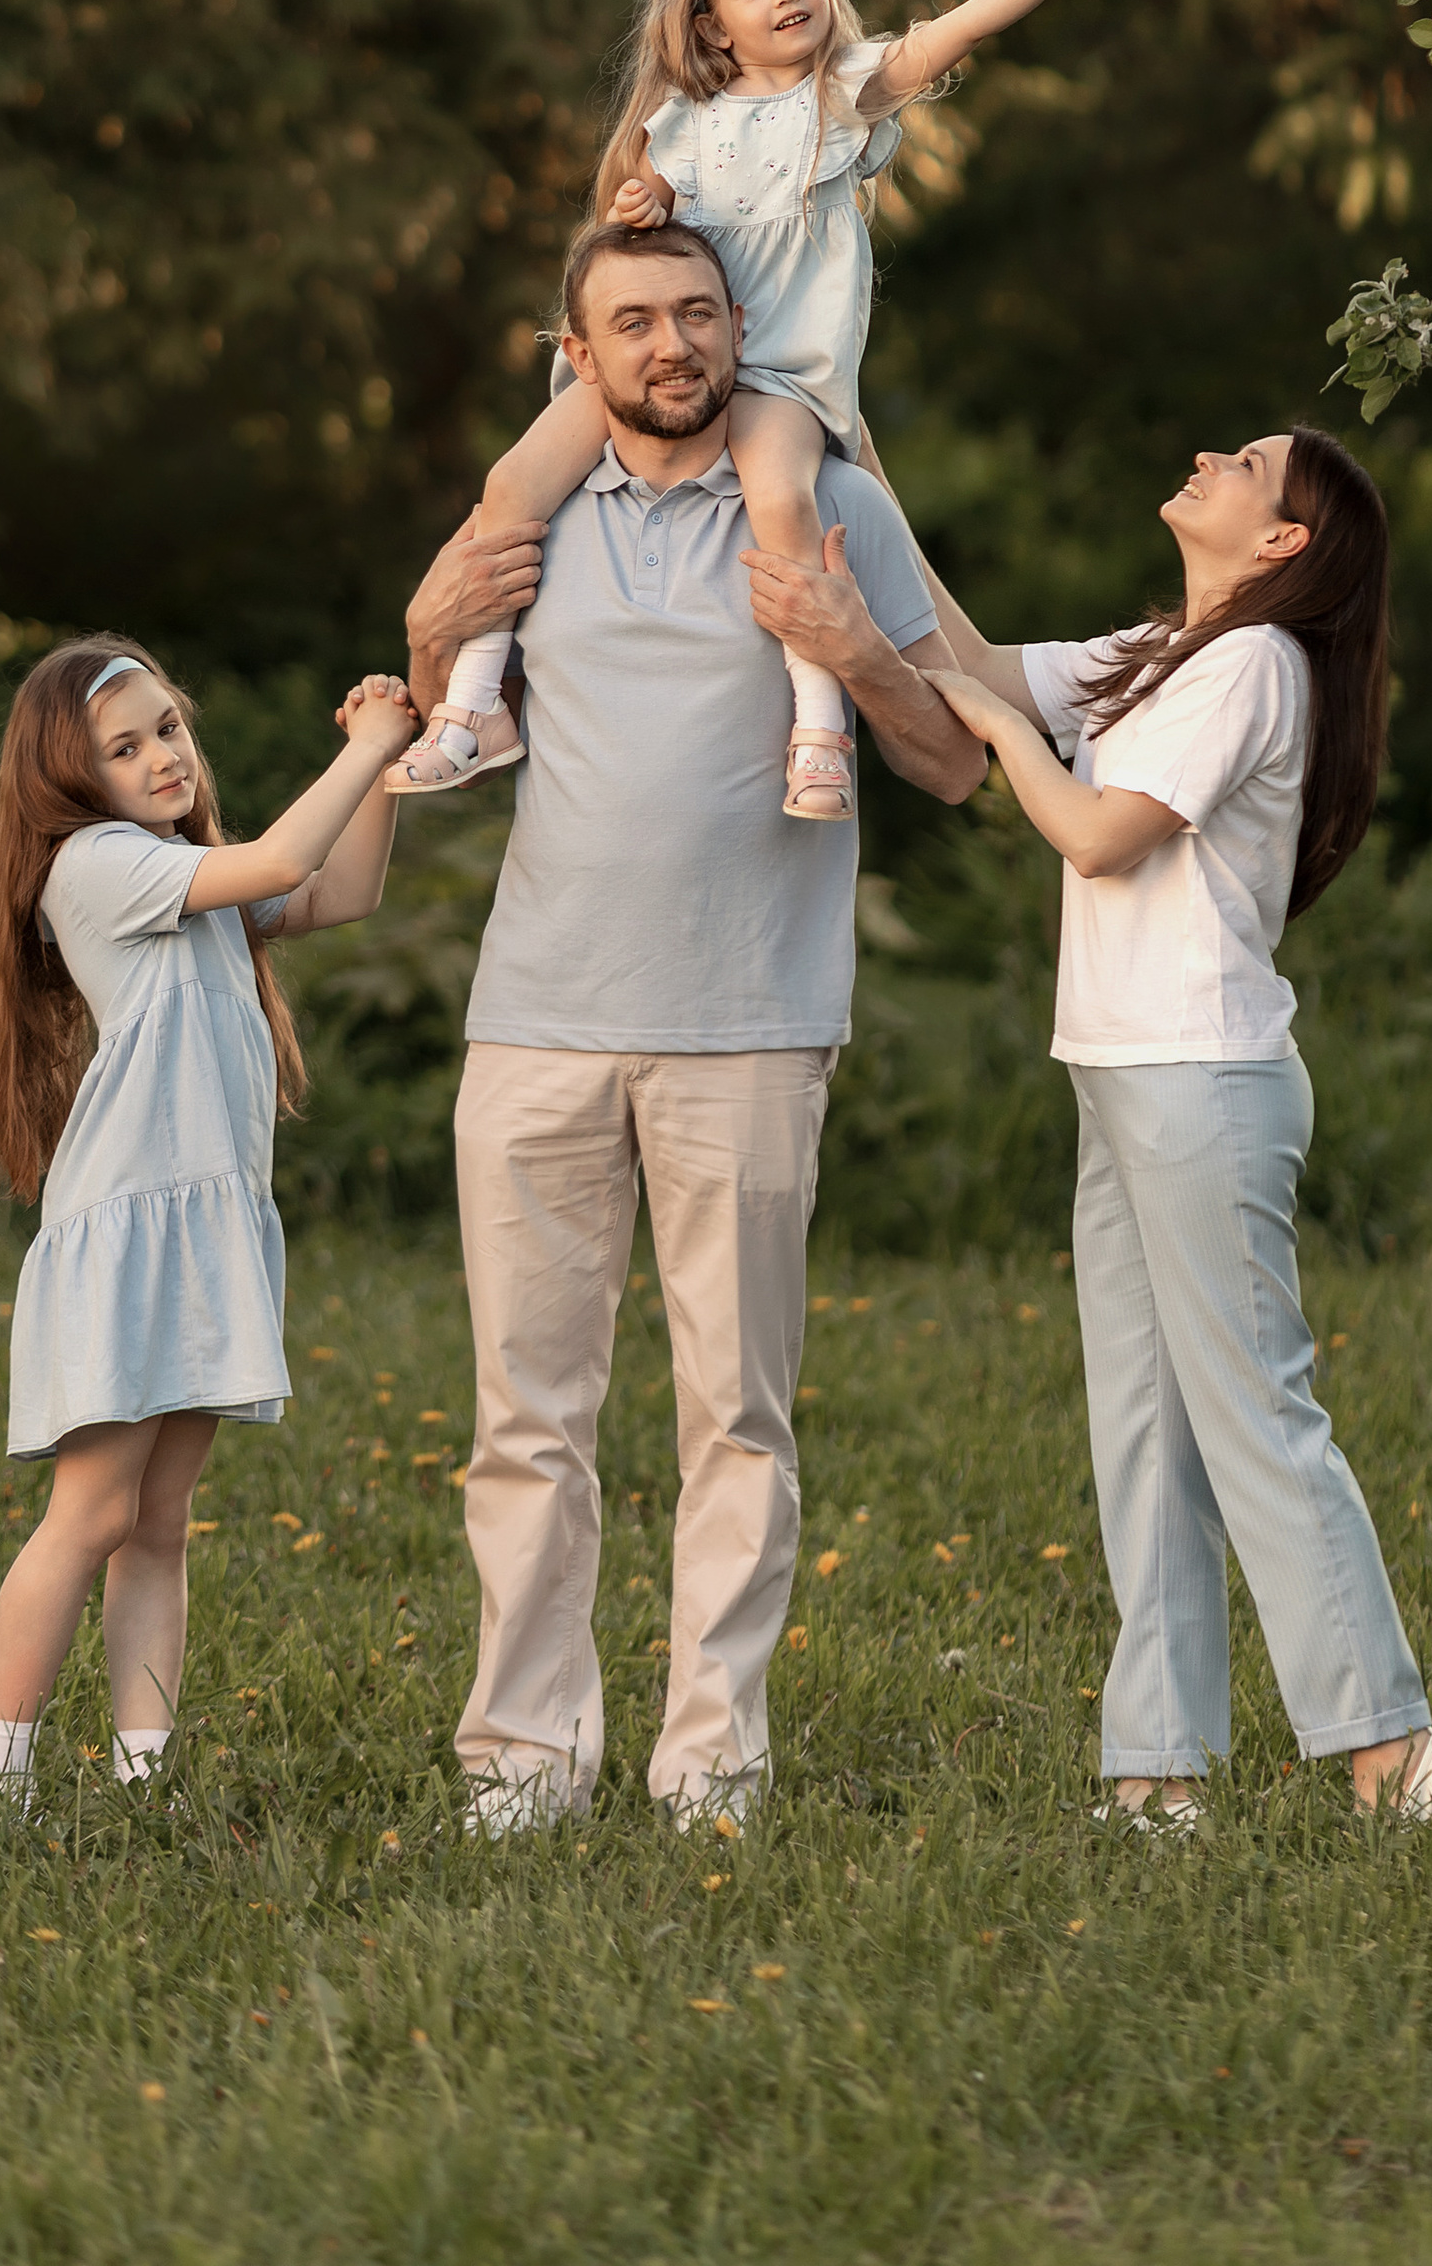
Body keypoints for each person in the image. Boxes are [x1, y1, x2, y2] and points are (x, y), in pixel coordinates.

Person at [403, 216, 986, 1833]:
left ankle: (710, 1761)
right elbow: (446, 699)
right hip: (536, 1019)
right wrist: (423, 624)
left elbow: (953, 765)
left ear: (741, 326)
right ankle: (524, 1759)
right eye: (634, 325)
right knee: (527, 1416)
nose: (673, 348)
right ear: (576, 358)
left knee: (736, 1413)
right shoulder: (533, 520)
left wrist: (850, 645)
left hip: (750, 1020)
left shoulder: (835, 500)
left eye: (697, 316)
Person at [917, 431, 1432, 1829]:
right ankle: (1158, 1770)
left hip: (1201, 1082)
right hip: (1122, 1074)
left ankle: (1395, 1749)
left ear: (1284, 541)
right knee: (1146, 1433)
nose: (1212, 456)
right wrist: (853, 453)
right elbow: (976, 659)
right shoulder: (1167, 647)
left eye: (1248, 463)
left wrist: (999, 743)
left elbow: (1102, 835)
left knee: (1255, 1423)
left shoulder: (1253, 670)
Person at [388, 0, 1149, 821]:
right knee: (510, 484)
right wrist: (640, 209)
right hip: (677, 367)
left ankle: (819, 729)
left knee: (783, 503)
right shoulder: (681, 126)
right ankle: (471, 708)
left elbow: (959, 29)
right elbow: (633, 224)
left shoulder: (840, 97)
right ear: (713, 29)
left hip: (776, 371)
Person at [0, 635, 419, 1815]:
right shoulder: (94, 866)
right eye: (125, 745)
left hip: (203, 1230)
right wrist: (362, 749)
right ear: (72, 777)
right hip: (129, 1228)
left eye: (169, 729)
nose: (162, 756)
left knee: (159, 1523)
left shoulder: (186, 873)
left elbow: (342, 886)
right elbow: (285, 855)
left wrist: (391, 771)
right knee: (94, 1511)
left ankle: (142, 1781)